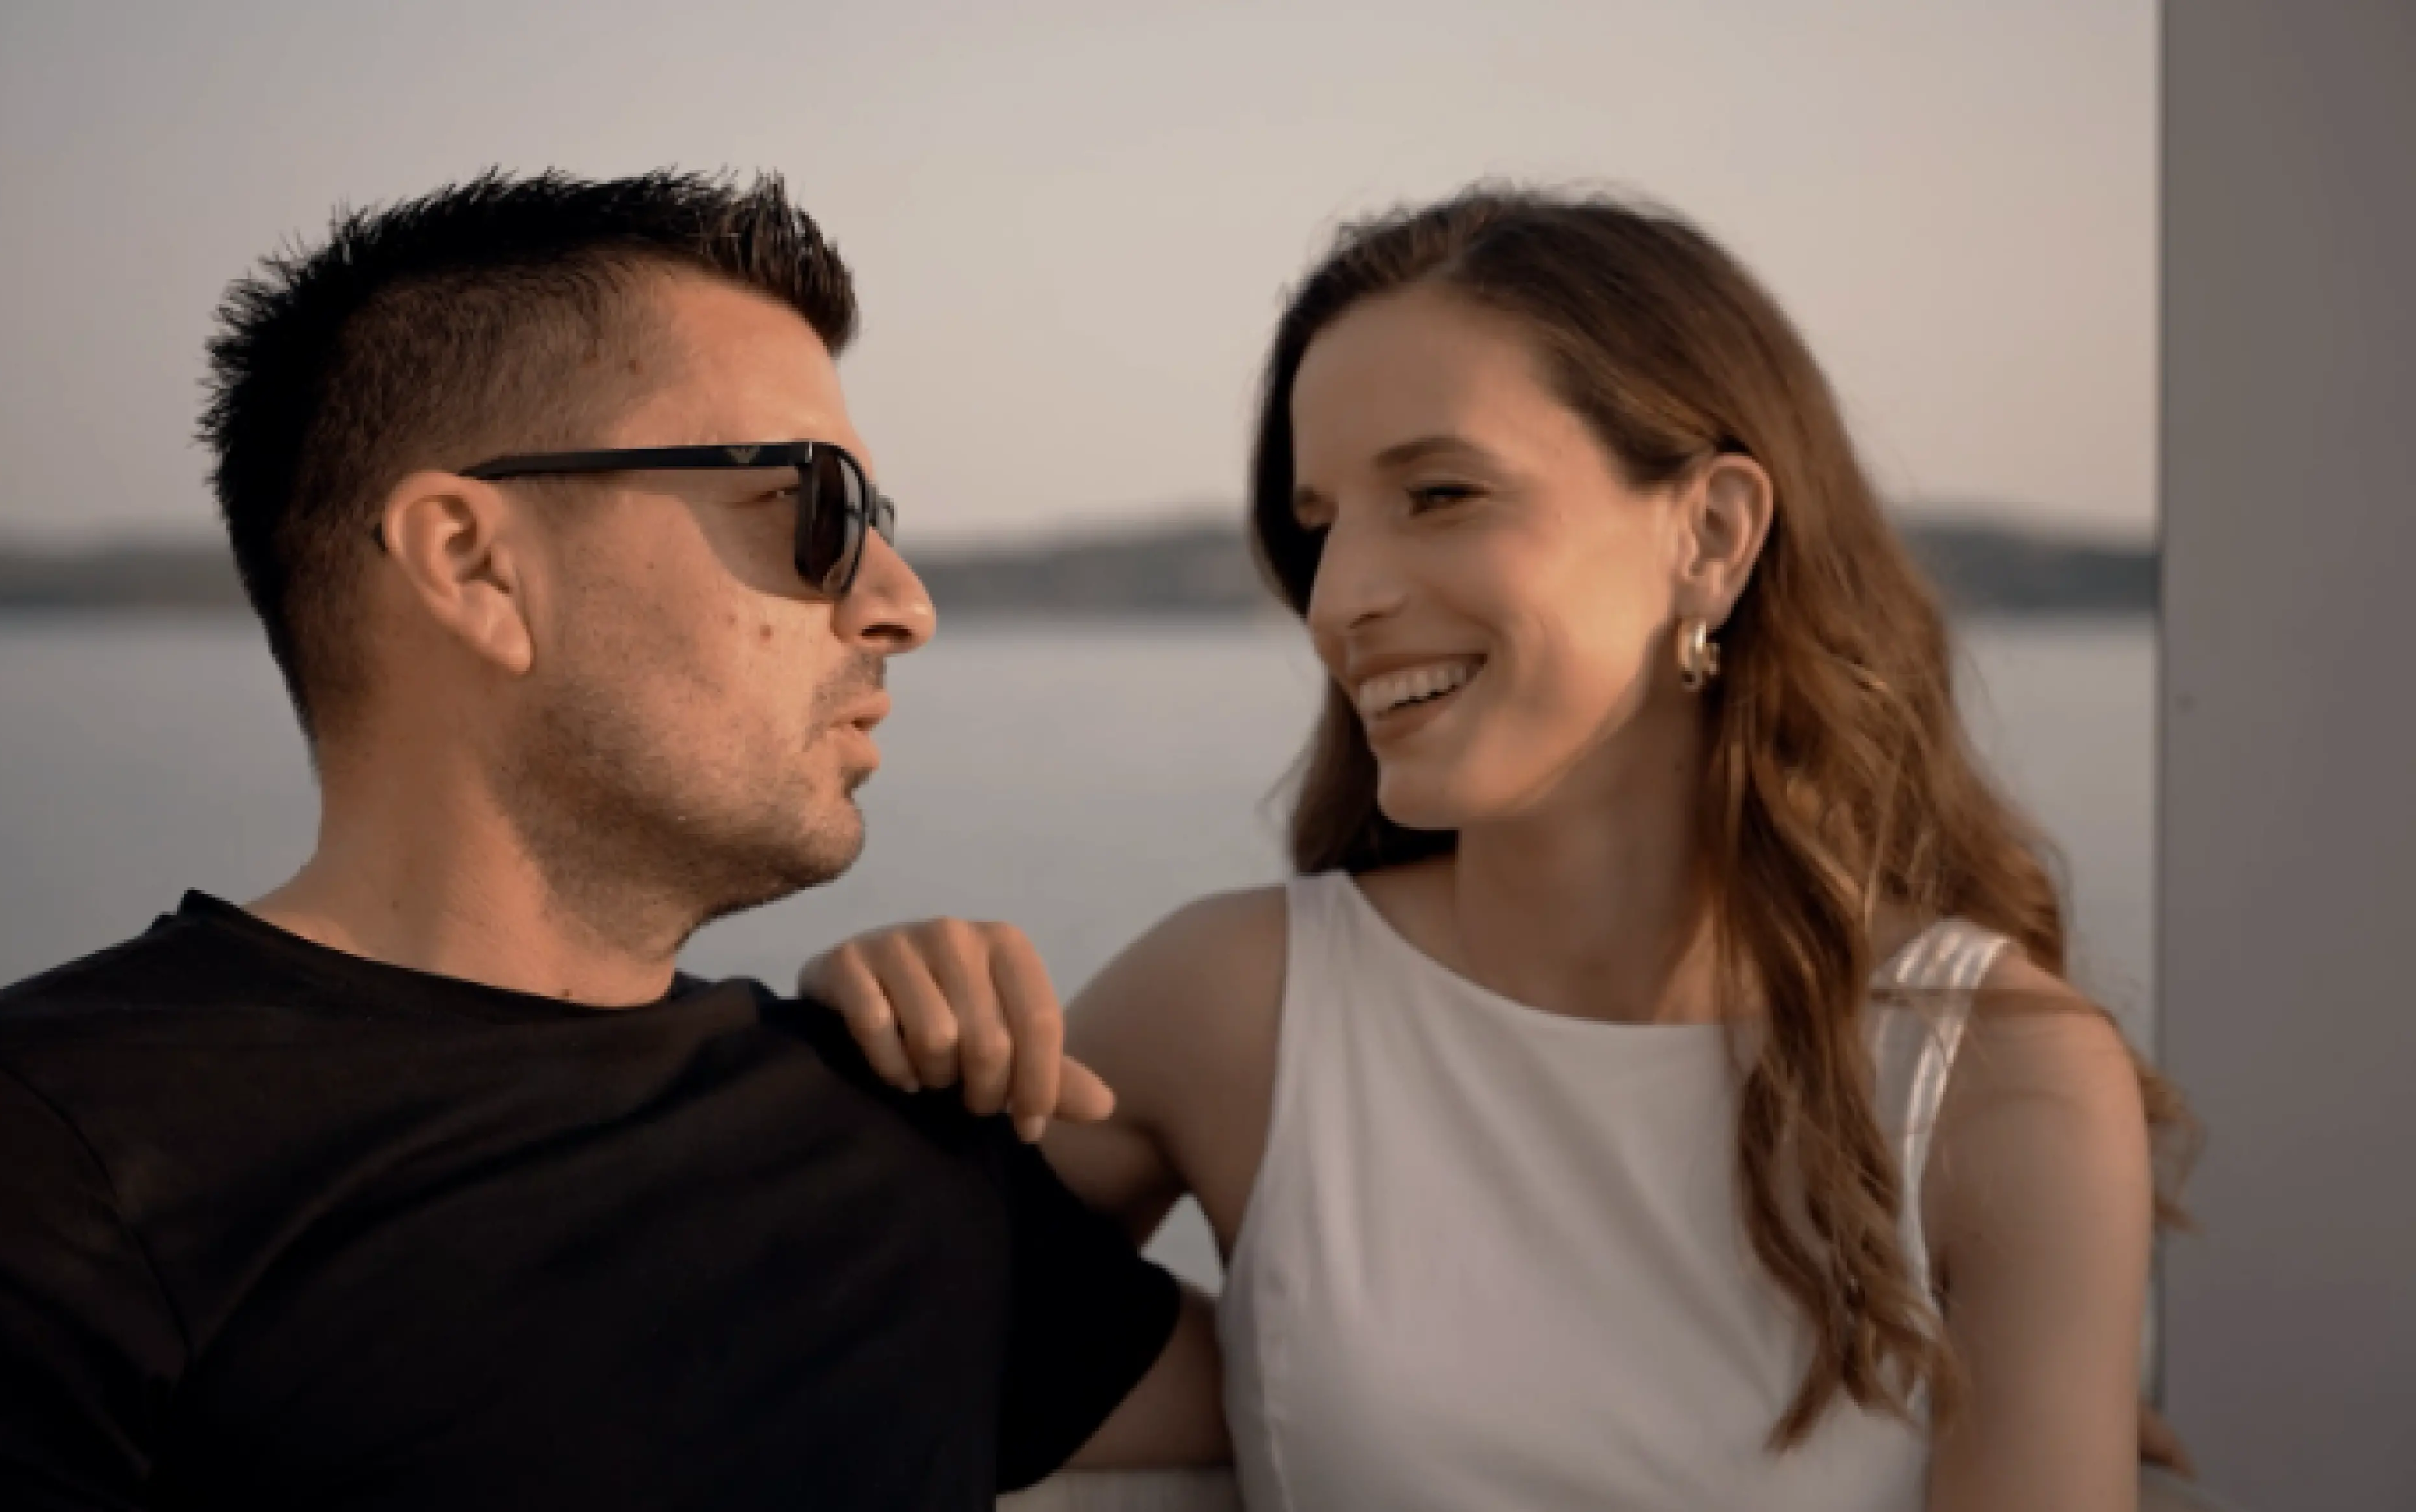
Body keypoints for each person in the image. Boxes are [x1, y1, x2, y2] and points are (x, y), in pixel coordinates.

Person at [805, 187, 2198, 1511]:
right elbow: (834, 1324)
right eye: (1319, 526)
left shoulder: (1994, 1081)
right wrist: (862, 1061)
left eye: (1440, 494)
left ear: (1711, 535)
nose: (1341, 599)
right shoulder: (1238, 1011)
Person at [0, 169, 1224, 1510]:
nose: (903, 604)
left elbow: (1326, 1394)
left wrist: (1226, 998)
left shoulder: (885, 1138)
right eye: (816, 508)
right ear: (475, 564)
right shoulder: (37, 1166)